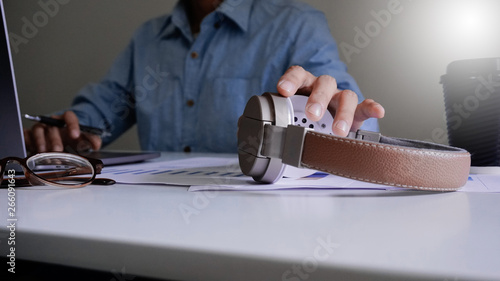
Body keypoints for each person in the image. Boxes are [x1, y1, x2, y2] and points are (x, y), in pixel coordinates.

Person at [24, 0, 385, 154]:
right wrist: (65, 133)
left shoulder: (296, 24)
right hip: (148, 223)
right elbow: (98, 117)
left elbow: (341, 102)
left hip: (260, 230)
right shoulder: (148, 37)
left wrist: (343, 118)